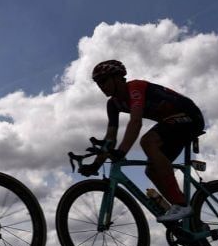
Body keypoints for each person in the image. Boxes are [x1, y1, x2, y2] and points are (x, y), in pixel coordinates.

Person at [88, 60, 205, 222]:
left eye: (103, 80)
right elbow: (110, 138)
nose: (101, 86)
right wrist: (96, 165)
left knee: (148, 141)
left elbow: (136, 122)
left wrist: (122, 152)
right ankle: (190, 218)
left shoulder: (135, 88)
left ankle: (181, 204)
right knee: (151, 170)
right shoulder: (113, 104)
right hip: (171, 122)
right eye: (97, 83)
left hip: (190, 116)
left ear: (117, 78)